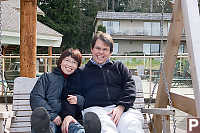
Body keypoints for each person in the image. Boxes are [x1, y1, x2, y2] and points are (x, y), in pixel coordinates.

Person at [80, 31, 144, 133]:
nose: (101, 52)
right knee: (106, 129)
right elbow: (74, 95)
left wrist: (121, 106)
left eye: (105, 49)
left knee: (132, 126)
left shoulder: (119, 67)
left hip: (121, 109)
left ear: (110, 52)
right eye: (98, 48)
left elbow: (130, 87)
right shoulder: (82, 72)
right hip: (96, 110)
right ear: (92, 49)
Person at [30, 48, 85, 133]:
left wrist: (79, 99)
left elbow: (89, 98)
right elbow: (36, 97)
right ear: (61, 61)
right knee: (47, 127)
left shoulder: (79, 80)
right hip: (50, 119)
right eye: (67, 60)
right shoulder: (47, 77)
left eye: (74, 62)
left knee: (77, 130)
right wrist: (52, 116)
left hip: (70, 119)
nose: (70, 65)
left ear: (77, 66)